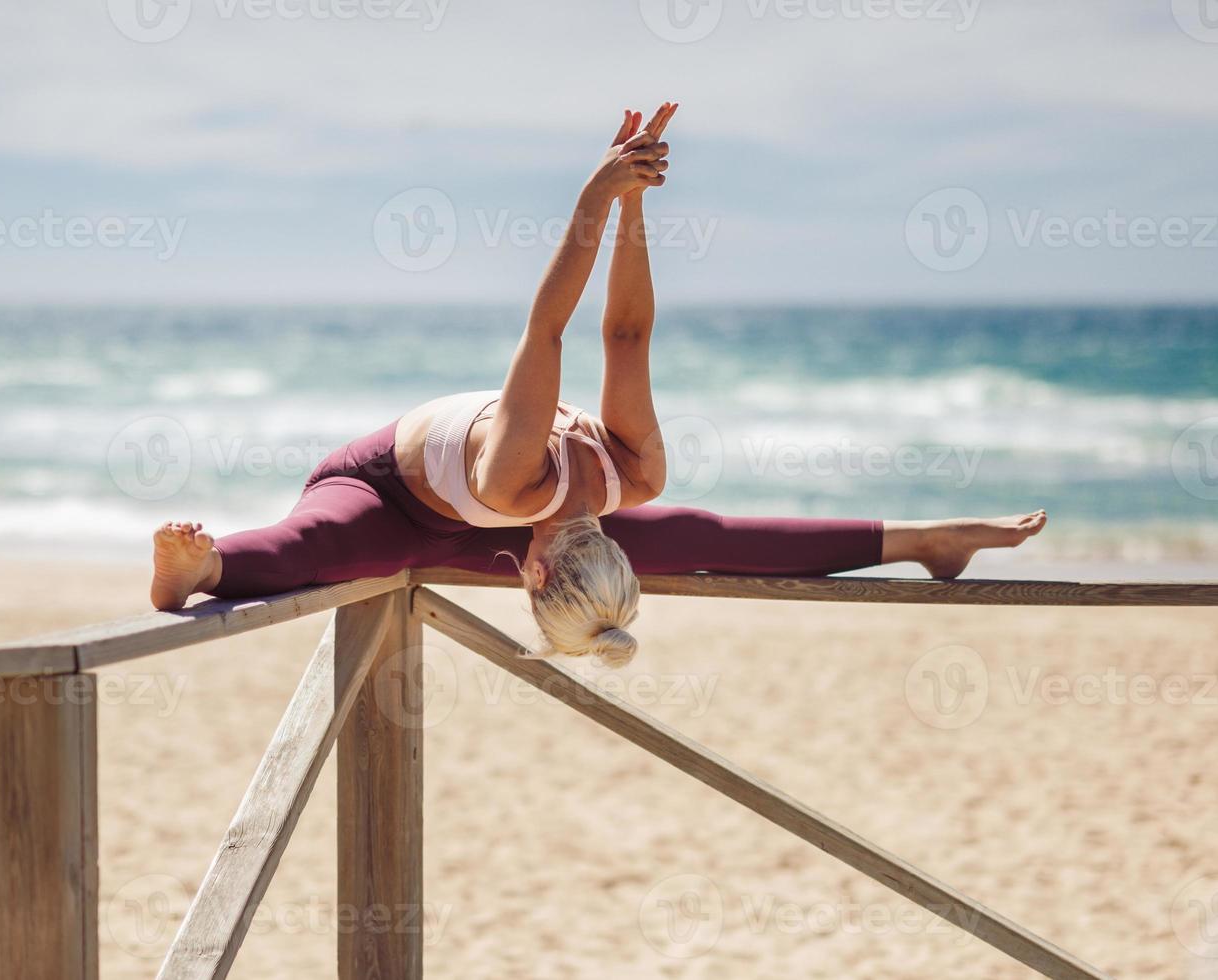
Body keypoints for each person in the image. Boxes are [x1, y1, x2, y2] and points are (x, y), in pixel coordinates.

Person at [149, 103, 1046, 667]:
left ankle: (924, 538)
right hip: (377, 488)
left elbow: (585, 330)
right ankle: (206, 565)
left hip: (459, 519)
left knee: (700, 536)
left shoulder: (594, 483)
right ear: (536, 571)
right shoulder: (583, 476)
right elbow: (593, 332)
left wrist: (616, 197)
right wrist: (613, 196)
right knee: (329, 540)